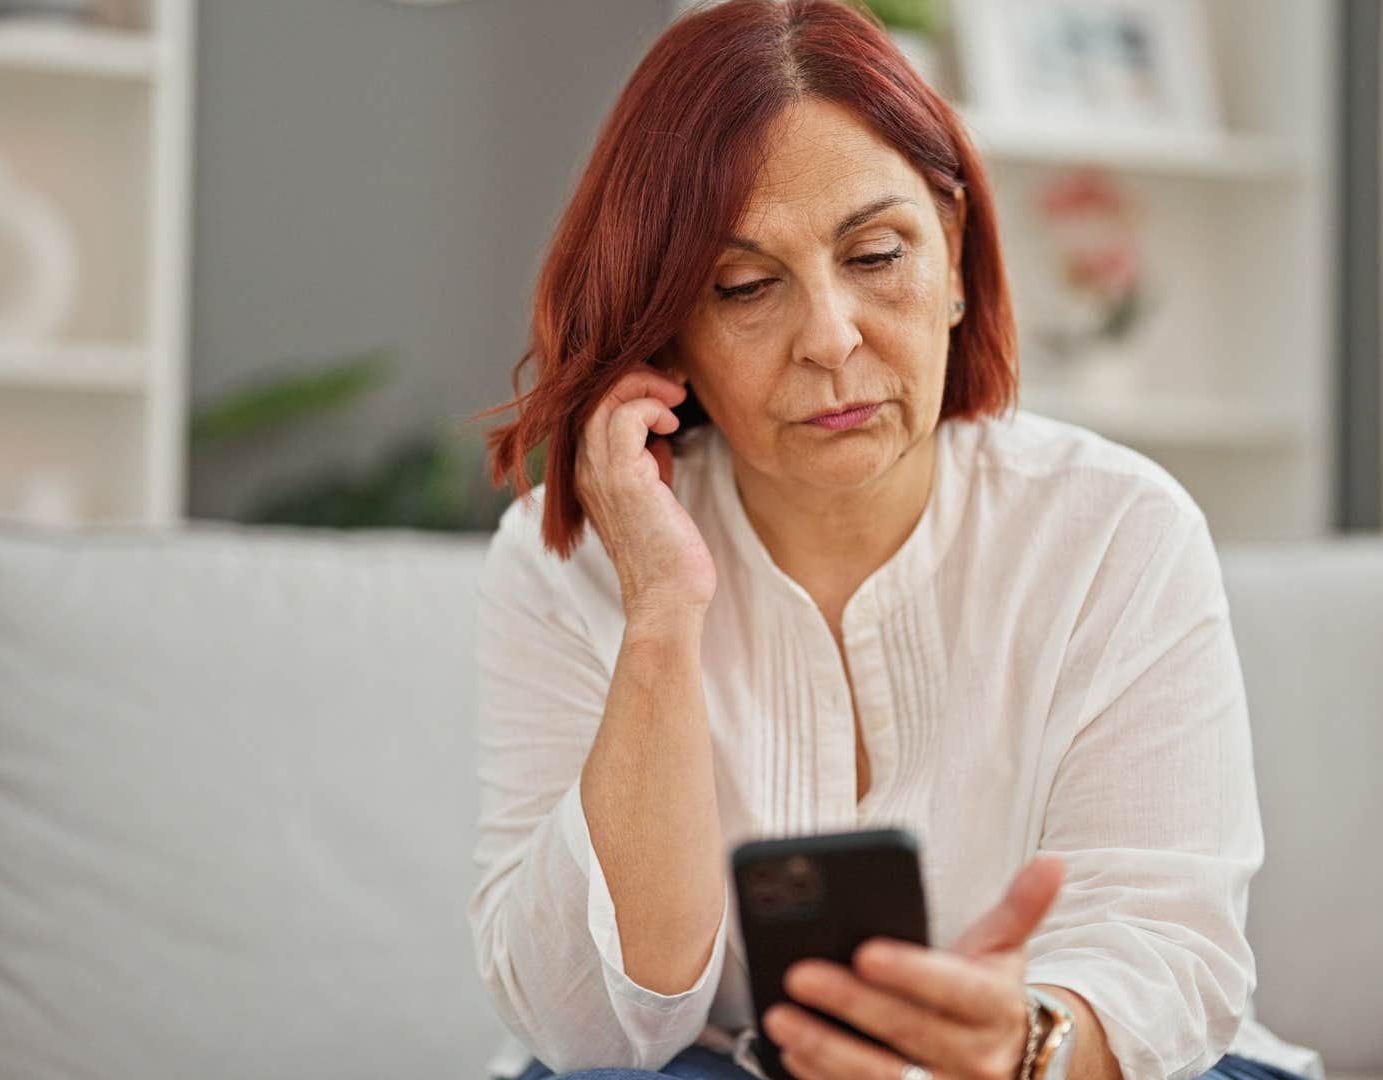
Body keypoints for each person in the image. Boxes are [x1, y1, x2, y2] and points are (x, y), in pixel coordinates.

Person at [468, 3, 1325, 1079]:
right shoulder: (567, 567)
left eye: (877, 254)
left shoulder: (1117, 531)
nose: (830, 337)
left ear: (956, 254)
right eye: (743, 287)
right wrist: (660, 616)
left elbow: (1169, 956)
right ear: (670, 322)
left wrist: (1018, 1043)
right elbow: (593, 1034)